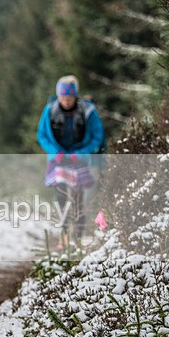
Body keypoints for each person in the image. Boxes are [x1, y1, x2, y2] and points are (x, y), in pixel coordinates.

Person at [37, 75, 105, 245]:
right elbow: (42, 135)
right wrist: (54, 152)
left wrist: (82, 152)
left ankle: (78, 235)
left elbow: (97, 136)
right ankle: (65, 233)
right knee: (60, 197)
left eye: (69, 98)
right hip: (58, 159)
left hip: (78, 159)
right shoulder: (50, 110)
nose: (66, 102)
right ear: (58, 96)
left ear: (76, 97)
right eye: (63, 98)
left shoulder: (88, 111)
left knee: (77, 198)